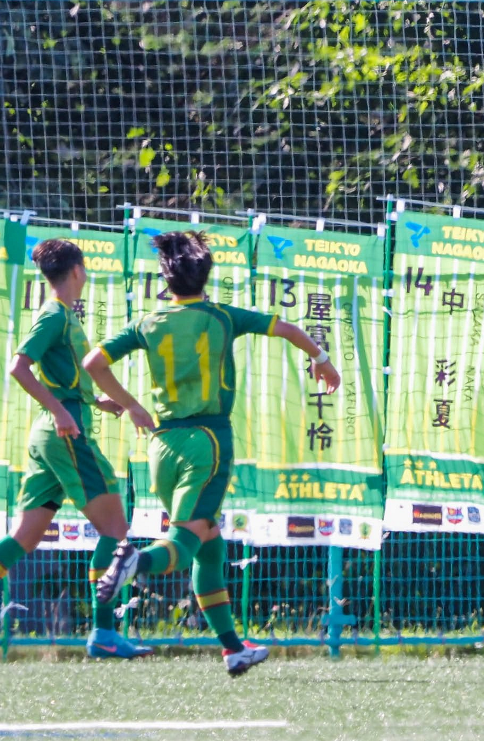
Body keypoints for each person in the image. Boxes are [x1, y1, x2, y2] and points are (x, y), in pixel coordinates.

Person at [84, 231, 342, 677]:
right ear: (206, 275)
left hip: (161, 447)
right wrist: (321, 358)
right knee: (186, 539)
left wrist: (130, 404)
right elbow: (288, 329)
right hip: (208, 441)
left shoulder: (148, 323)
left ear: (166, 280)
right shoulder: (222, 316)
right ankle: (135, 562)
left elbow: (93, 363)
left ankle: (232, 647)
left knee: (208, 546)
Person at [0, 239, 151, 665]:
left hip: (49, 433)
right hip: (63, 434)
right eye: (85, 268)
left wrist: (94, 401)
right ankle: (104, 632)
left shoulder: (64, 316)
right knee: (116, 530)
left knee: (24, 538)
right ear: (77, 272)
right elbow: (19, 367)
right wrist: (60, 410)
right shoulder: (54, 314)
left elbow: (61, 376)